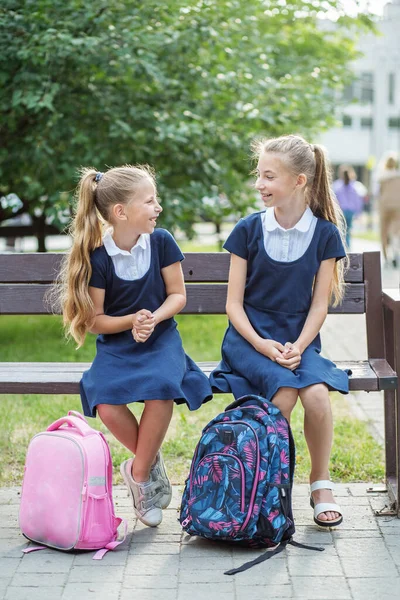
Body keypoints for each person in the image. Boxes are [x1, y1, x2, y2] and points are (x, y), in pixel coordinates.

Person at [59, 165, 212, 528]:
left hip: (161, 339)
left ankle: (139, 474)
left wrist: (153, 319)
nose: (158, 207)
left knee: (161, 388)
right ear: (120, 212)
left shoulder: (161, 243)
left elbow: (178, 295)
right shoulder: (99, 258)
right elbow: (95, 320)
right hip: (118, 345)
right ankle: (150, 461)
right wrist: (132, 321)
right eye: (150, 201)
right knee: (106, 402)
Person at [210, 134, 349, 528]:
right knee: (283, 394)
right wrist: (262, 345)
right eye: (259, 175)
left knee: (318, 398)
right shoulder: (248, 230)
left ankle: (320, 484)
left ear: (299, 182)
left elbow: (319, 305)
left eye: (269, 176)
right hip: (249, 339)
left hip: (299, 339)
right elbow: (233, 305)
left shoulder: (324, 235)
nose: (259, 184)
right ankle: (267, 486)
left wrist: (299, 347)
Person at [332, 165, 365, 249]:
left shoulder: (337, 185)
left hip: (341, 211)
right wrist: (358, 212)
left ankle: (343, 247)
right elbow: (357, 200)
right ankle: (348, 247)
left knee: (341, 230)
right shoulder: (354, 186)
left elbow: (334, 199)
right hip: (350, 211)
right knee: (348, 230)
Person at [377, 154, 400, 267]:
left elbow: (379, 194)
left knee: (384, 231)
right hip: (397, 206)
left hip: (384, 206)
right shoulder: (398, 176)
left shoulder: (382, 177)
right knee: (396, 230)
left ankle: (386, 257)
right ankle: (396, 252)